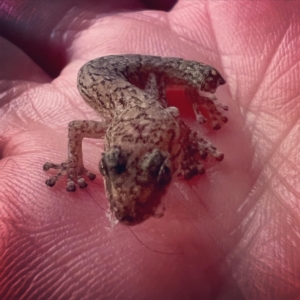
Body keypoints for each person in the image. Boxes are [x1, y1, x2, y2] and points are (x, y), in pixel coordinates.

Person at [0, 0, 298, 299]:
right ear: (111, 145)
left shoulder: (162, 114)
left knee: (163, 82)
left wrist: (192, 125)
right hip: (105, 73)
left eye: (162, 170)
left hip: (136, 76)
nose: (126, 205)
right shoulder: (120, 123)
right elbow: (76, 127)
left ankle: (191, 90)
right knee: (160, 86)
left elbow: (171, 120)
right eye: (111, 165)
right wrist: (73, 163)